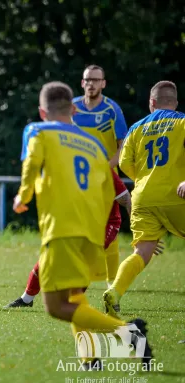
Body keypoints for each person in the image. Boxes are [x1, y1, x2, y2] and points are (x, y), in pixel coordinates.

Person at [13, 81, 151, 364]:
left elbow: (32, 164)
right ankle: (90, 358)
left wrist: (22, 197)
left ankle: (128, 333)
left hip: (62, 228)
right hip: (93, 232)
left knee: (55, 306)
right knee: (75, 297)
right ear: (73, 110)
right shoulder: (94, 145)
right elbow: (107, 190)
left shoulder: (37, 130)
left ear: (42, 112)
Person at [103, 81, 185, 317]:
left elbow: (124, 163)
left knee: (141, 252)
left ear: (152, 102)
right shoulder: (182, 122)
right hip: (177, 195)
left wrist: (147, 179)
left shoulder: (137, 128)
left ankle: (114, 291)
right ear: (175, 102)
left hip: (143, 197)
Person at [4, 169, 131, 309]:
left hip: (104, 225)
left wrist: (136, 226)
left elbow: (125, 198)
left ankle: (76, 302)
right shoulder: (66, 168)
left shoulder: (102, 169)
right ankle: (26, 300)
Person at [73, 64, 128, 286]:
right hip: (77, 179)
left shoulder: (112, 109)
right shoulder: (72, 108)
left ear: (103, 83)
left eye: (96, 80)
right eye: (88, 80)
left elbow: (123, 147)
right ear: (82, 82)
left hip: (106, 180)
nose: (91, 84)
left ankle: (112, 286)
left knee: (110, 232)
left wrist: (105, 168)